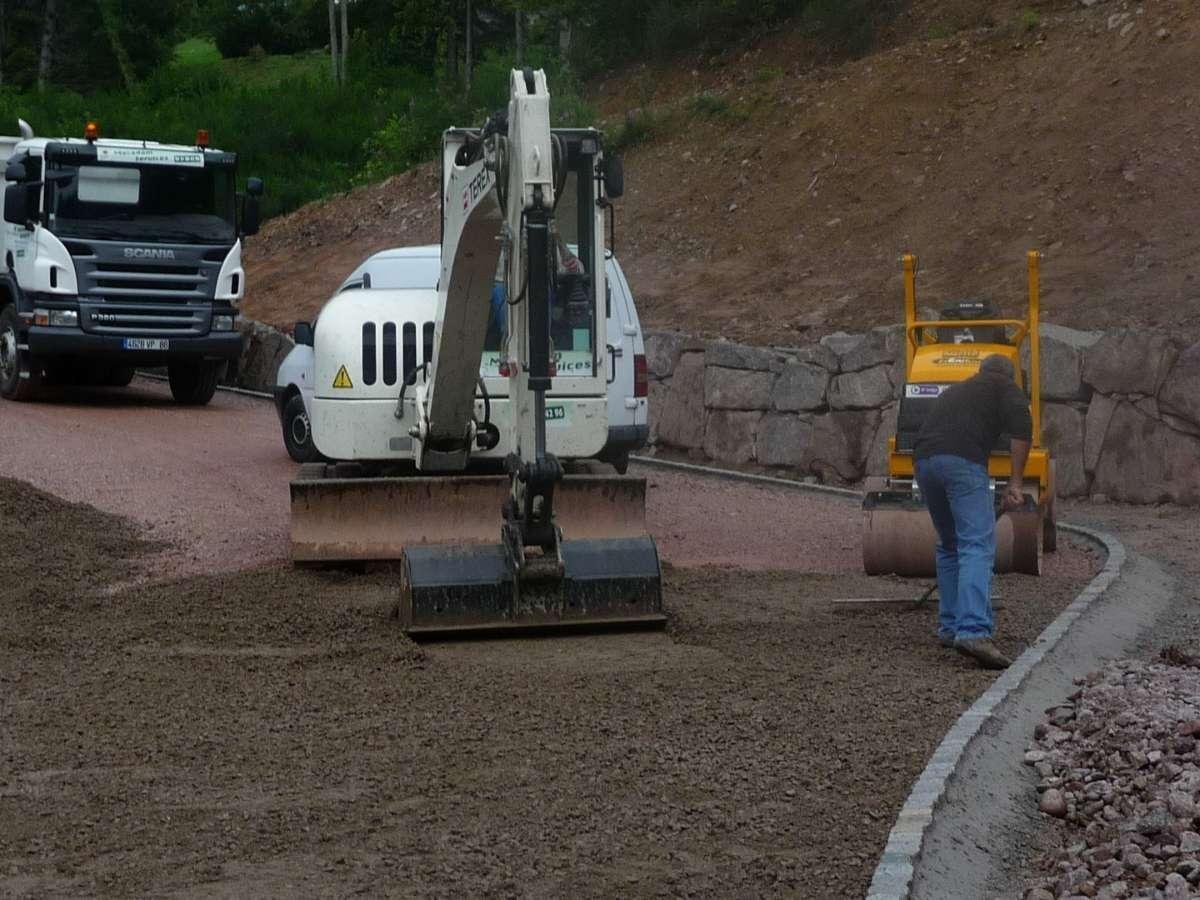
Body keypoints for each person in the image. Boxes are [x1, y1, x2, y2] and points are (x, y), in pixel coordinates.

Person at [913, 354, 1033, 670]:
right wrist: (1015, 483)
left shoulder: (956, 390)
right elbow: (1022, 434)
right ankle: (974, 631)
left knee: (950, 545)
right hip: (963, 464)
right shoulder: (1007, 389)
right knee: (977, 545)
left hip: (924, 463)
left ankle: (951, 627)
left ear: (979, 371)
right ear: (1010, 375)